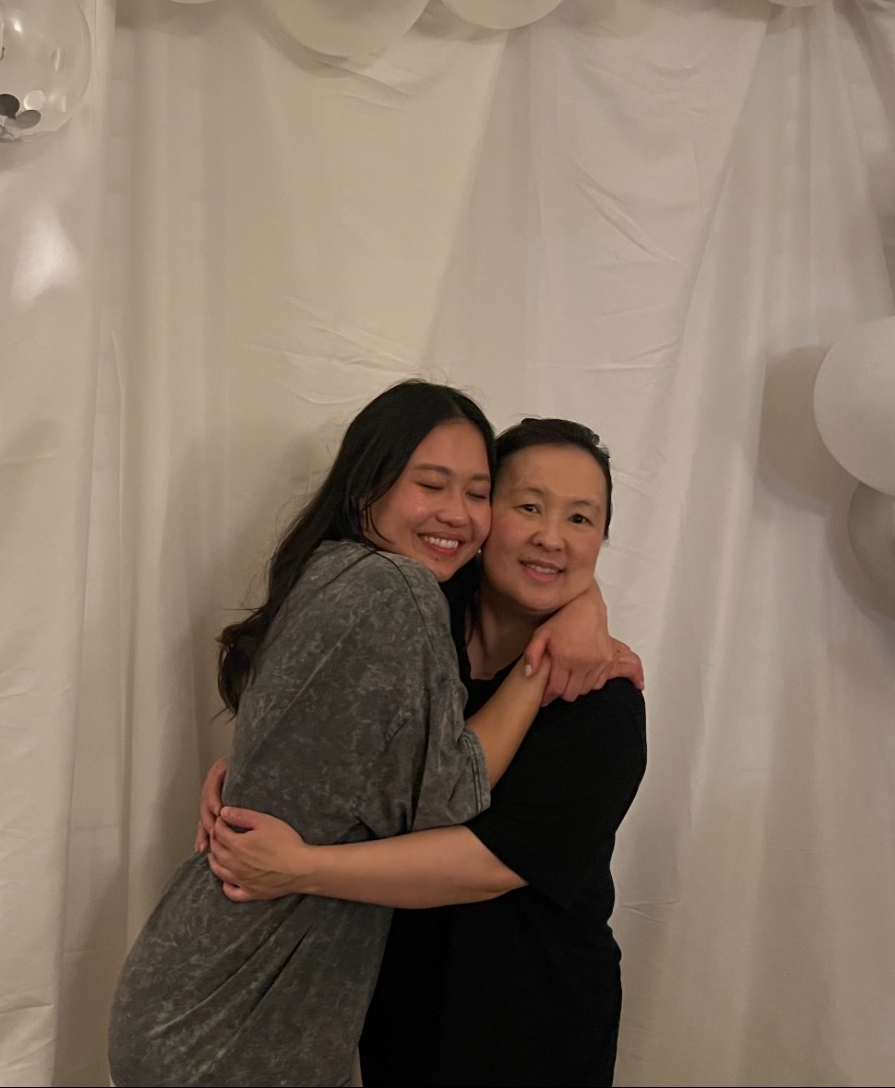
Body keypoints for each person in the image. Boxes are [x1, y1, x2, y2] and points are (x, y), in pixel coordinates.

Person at [107, 384, 619, 1088]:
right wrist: (546, 658)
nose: (551, 536)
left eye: (581, 518)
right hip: (255, 1012)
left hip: (513, 1026)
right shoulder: (406, 597)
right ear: (364, 489)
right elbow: (439, 797)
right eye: (526, 506)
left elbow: (483, 856)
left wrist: (582, 610)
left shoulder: (600, 702)